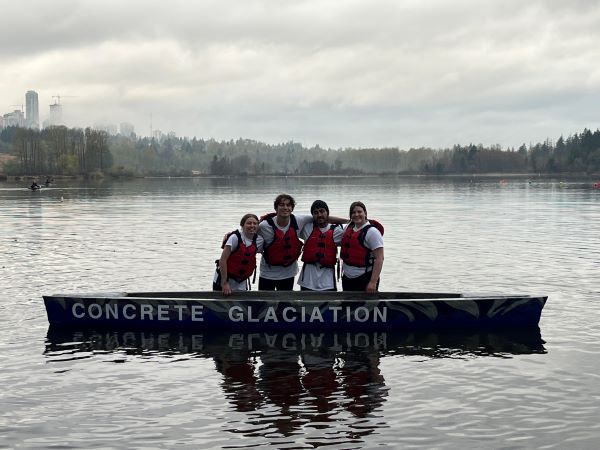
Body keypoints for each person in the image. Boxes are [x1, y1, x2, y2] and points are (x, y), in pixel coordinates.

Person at [258, 194, 314, 291]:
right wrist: (230, 235)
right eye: (282, 205)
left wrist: (348, 221)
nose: (285, 207)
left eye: (288, 205)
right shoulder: (264, 226)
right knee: (263, 304)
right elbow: (246, 233)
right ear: (276, 208)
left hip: (288, 273)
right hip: (267, 273)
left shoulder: (299, 220)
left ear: (292, 208)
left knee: (285, 304)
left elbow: (321, 218)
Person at [297, 200, 344, 291]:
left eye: (322, 211)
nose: (319, 215)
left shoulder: (337, 231)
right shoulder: (307, 228)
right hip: (307, 281)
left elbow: (354, 227)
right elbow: (290, 219)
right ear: (312, 216)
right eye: (315, 212)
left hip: (328, 282)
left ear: (328, 213)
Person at [214, 213, 264, 296]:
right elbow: (223, 260)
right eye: (249, 223)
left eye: (255, 223)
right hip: (225, 278)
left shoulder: (259, 241)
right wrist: (224, 283)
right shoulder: (234, 238)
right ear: (242, 225)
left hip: (242, 280)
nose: (252, 226)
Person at [340, 201, 384, 293]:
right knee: (348, 306)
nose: (356, 214)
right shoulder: (348, 228)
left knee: (366, 307)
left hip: (364, 278)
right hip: (347, 278)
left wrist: (373, 282)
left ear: (365, 213)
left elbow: (380, 258)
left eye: (359, 212)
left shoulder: (372, 232)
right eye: (353, 212)